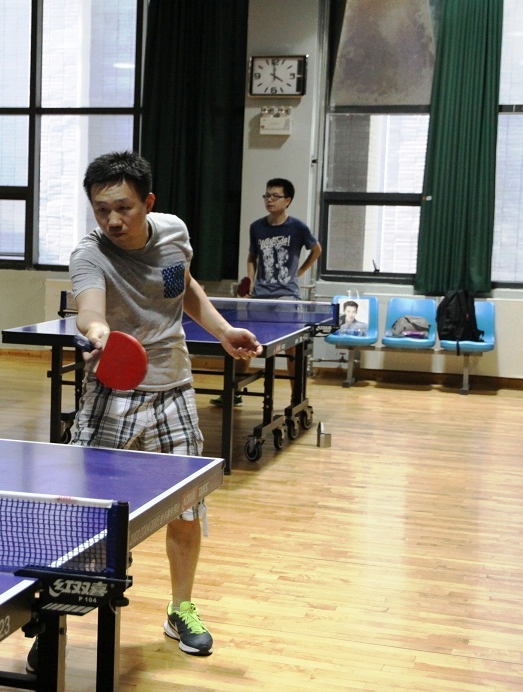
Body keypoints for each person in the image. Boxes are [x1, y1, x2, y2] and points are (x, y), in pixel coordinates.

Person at [68, 151, 262, 657]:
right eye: (101, 209)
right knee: (88, 514)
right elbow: (89, 309)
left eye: (124, 207)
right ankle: (58, 620)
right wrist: (99, 331)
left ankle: (181, 608)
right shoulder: (90, 255)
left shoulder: (174, 233)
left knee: (186, 508)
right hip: (112, 393)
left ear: (148, 202)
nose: (112, 220)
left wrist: (222, 331)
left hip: (174, 388)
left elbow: (184, 287)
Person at [212, 177, 322, 406]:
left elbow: (316, 249)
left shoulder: (298, 227)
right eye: (267, 196)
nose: (269, 200)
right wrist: (251, 280)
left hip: (287, 297)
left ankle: (296, 398)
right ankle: (233, 392)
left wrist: (300, 272)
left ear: (287, 200)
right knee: (245, 343)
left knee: (292, 349)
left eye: (275, 196)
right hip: (260, 296)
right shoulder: (257, 227)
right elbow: (252, 257)